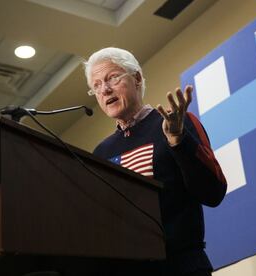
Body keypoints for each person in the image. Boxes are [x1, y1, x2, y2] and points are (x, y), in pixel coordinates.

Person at [84, 47, 227, 276]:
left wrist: (178, 141)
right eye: (97, 85)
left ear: (137, 78)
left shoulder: (175, 123)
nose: (105, 89)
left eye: (112, 77)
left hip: (182, 266)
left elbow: (214, 192)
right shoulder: (101, 152)